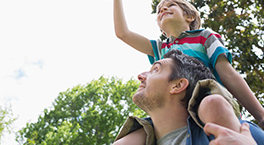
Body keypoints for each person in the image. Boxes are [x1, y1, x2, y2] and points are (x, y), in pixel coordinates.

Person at [105, 0, 264, 136]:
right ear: (161, 29)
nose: (163, 9)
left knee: (210, 105)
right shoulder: (160, 49)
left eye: (171, 5)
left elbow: (228, 74)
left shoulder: (205, 37)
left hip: (206, 98)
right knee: (133, 135)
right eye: (159, 10)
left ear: (190, 16)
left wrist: (260, 115)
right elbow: (122, 33)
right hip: (172, 109)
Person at [113, 50, 264, 145]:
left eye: (156, 69)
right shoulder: (133, 140)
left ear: (177, 86)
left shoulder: (238, 132)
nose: (140, 76)